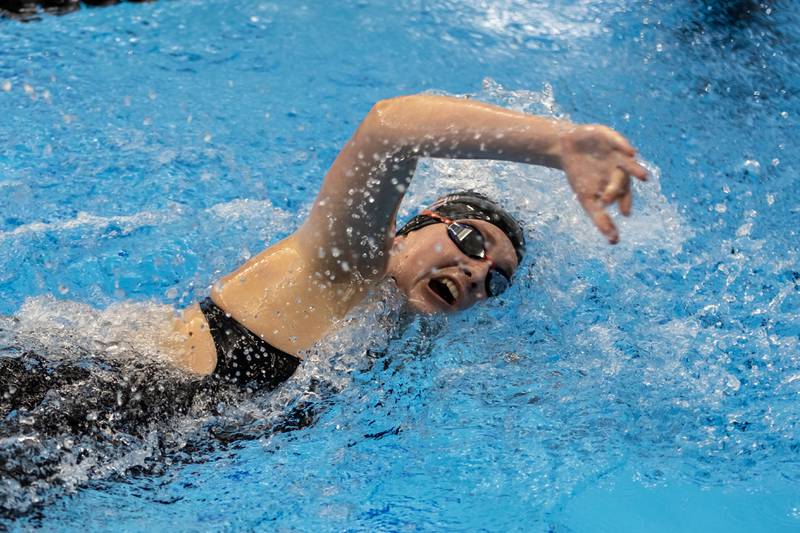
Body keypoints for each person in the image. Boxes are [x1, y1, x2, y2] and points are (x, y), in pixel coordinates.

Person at [160, 94, 648, 390]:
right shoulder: (343, 268)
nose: (478, 272)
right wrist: (556, 144)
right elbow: (392, 127)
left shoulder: (391, 333)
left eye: (495, 281)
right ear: (415, 227)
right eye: (471, 243)